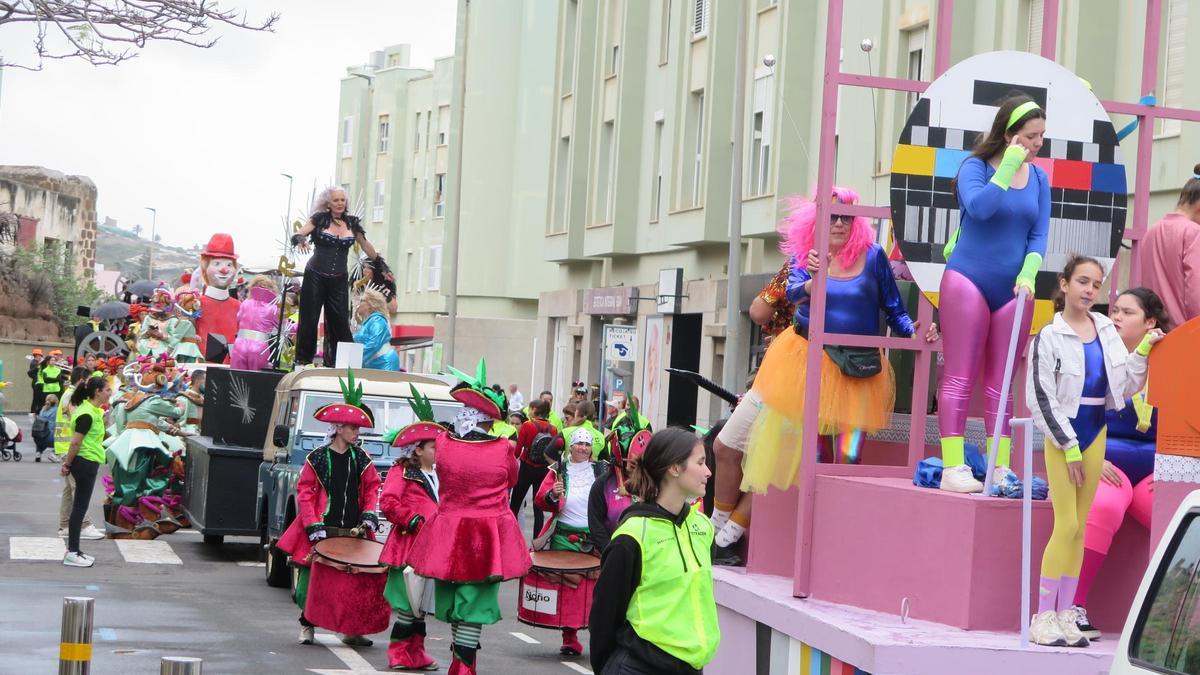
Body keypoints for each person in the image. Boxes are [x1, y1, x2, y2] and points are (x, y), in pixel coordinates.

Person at [741, 188, 935, 492]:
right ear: (818, 219)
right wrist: (812, 280)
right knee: (815, 452)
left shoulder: (873, 256)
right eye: (833, 217)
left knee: (850, 454)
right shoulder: (807, 254)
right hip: (811, 360)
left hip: (860, 367)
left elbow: (894, 308)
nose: (840, 223)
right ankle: (815, 511)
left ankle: (840, 510)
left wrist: (913, 331)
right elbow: (791, 294)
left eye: (847, 217)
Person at [1025, 256, 1163, 647]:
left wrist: (1145, 350)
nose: (1089, 290)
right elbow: (1040, 398)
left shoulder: (1104, 329)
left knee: (1079, 527)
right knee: (1066, 525)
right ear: (1064, 284)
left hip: (1096, 431)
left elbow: (1125, 383)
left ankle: (1067, 613)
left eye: (1096, 284)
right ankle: (1044, 615)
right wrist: (1068, 445)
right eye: (1082, 281)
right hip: (1065, 436)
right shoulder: (1048, 336)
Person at [938, 94, 1049, 494]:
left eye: (1041, 137)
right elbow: (981, 209)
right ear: (1009, 134)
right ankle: (953, 467)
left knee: (1001, 385)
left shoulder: (1039, 178)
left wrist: (1031, 270)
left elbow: (1038, 233)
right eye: (1031, 136)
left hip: (1014, 290)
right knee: (959, 377)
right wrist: (1007, 168)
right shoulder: (975, 167)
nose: (1037, 144)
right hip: (966, 279)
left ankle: (999, 466)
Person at [404, 359, 530, 675]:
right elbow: (511, 480)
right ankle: (463, 666)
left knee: (455, 596)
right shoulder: (503, 448)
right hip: (488, 532)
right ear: (489, 419)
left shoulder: (444, 443)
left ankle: (460, 662)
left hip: (449, 530)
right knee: (476, 602)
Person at [1069, 288, 1171, 641]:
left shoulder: (1172, 363)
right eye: (1115, 311)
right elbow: (1072, 413)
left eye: (1127, 313)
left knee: (1177, 514)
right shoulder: (1096, 355)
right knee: (1106, 506)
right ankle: (1074, 607)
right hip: (1105, 462)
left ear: (1150, 323)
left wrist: (1172, 469)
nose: (1115, 317)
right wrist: (1090, 454)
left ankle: (1176, 621)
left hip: (1155, 469)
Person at [589, 428, 720, 674]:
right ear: (674, 468)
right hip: (639, 666)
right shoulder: (632, 536)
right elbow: (604, 615)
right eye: (701, 462)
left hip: (691, 667)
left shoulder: (703, 527)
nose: (708, 471)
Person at [275, 372, 383, 647]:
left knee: (353, 581)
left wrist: (369, 513)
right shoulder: (318, 458)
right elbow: (306, 493)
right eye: (353, 428)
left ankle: (352, 629)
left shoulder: (362, 458)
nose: (357, 433)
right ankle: (307, 625)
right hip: (323, 529)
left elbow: (372, 488)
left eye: (358, 429)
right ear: (338, 428)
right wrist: (313, 526)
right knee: (316, 580)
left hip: (353, 529)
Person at [292, 186, 391, 367]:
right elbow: (301, 232)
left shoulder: (352, 223)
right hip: (315, 275)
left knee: (339, 320)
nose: (339, 203)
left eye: (342, 200)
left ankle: (340, 362)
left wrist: (380, 265)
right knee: (310, 318)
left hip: (338, 277)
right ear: (328, 203)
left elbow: (365, 245)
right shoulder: (319, 220)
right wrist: (300, 240)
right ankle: (303, 359)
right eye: (336, 200)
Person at [534, 427, 608, 656]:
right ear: (571, 447)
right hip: (564, 536)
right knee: (569, 588)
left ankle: (598, 636)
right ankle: (569, 637)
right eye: (579, 444)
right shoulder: (558, 470)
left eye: (587, 444)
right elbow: (540, 499)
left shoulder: (602, 470)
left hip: (593, 537)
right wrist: (553, 495)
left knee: (595, 590)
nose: (583, 448)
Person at [380, 420, 442, 671]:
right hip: (408, 546)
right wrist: (413, 519)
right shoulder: (402, 472)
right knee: (408, 604)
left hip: (434, 548)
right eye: (433, 447)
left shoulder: (441, 473)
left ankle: (417, 651)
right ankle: (398, 652)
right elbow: (388, 503)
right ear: (418, 450)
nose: (438, 450)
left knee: (422, 606)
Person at [60, 375, 112, 568]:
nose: (109, 393)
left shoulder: (91, 410)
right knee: (79, 509)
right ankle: (72, 552)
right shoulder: (87, 414)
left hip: (87, 461)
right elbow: (75, 442)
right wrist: (67, 464)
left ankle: (75, 550)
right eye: (107, 390)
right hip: (84, 462)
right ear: (97, 392)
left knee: (79, 508)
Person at [1138, 166, 1200, 325]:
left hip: (1154, 332)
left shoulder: (1151, 232)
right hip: (1184, 335)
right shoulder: (1194, 232)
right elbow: (1196, 294)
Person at [54, 370, 104, 539]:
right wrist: (68, 462)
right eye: (89, 381)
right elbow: (78, 424)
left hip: (67, 445)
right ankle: (84, 525)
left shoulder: (73, 396)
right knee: (77, 488)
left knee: (70, 489)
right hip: (71, 447)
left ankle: (65, 525)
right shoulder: (73, 398)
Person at [589, 427, 652, 552]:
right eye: (629, 462)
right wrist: (611, 553)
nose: (631, 467)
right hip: (613, 552)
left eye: (636, 463)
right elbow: (596, 525)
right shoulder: (602, 484)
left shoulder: (654, 483)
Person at [509, 398, 561, 538]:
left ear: (534, 410)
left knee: (515, 504)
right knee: (538, 506)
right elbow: (553, 451)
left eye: (530, 408)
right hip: (543, 469)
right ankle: (537, 541)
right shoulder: (553, 428)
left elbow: (517, 450)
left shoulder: (527, 425)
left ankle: (510, 536)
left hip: (527, 467)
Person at [230, 275, 280, 370]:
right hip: (259, 346)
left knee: (236, 378)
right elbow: (283, 326)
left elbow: (238, 319)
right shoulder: (273, 308)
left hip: (240, 344)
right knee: (255, 380)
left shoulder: (245, 303)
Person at [353, 287, 399, 371]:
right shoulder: (369, 322)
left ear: (370, 305)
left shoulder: (377, 321)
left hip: (384, 362)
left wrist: (354, 357)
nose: (358, 304)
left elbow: (374, 343)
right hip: (373, 363)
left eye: (362, 300)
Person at [32, 393, 57, 461]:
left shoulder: (43, 410)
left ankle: (38, 453)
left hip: (37, 437)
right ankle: (54, 453)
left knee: (41, 436)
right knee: (64, 440)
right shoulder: (56, 410)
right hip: (49, 437)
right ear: (56, 402)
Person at [28, 348, 44, 415]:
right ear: (37, 355)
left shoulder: (36, 362)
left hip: (37, 382)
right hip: (36, 382)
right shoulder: (34, 363)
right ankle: (33, 412)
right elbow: (34, 371)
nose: (41, 357)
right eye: (40, 355)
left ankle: (34, 412)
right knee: (36, 399)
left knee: (37, 398)